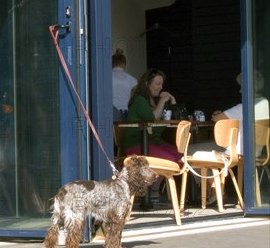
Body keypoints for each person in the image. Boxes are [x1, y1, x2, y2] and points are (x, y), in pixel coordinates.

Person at [189, 71, 269, 202]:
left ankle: (215, 188)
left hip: (235, 153)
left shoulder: (244, 107)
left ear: (249, 88)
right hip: (256, 153)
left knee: (191, 151)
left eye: (242, 87)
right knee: (204, 149)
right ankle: (213, 189)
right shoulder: (265, 104)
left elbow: (217, 119)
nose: (240, 91)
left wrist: (219, 114)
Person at [123, 68, 180, 202]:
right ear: (147, 84)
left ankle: (153, 189)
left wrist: (172, 101)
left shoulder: (153, 102)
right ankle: (151, 191)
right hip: (136, 143)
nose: (161, 87)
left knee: (180, 157)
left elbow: (166, 120)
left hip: (153, 142)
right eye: (157, 84)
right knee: (169, 158)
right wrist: (163, 101)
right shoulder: (139, 100)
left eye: (161, 84)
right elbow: (152, 118)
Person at [112, 48, 138, 122]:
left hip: (112, 111)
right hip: (125, 112)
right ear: (124, 64)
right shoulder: (131, 79)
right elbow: (139, 93)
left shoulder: (107, 78)